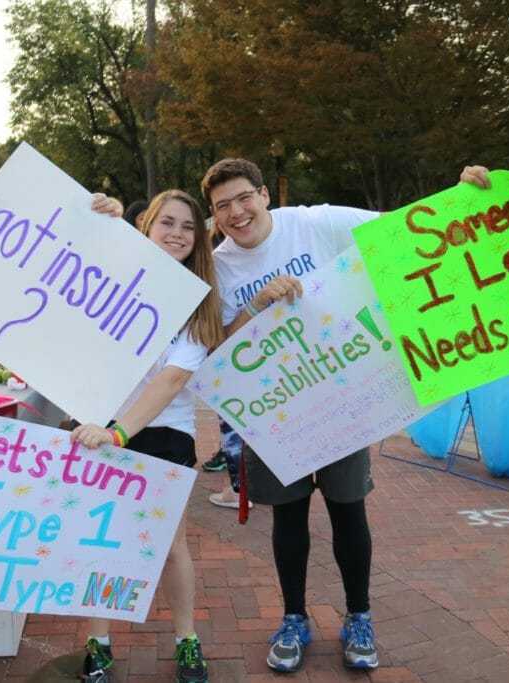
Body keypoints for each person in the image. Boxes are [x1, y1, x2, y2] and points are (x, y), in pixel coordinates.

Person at [202, 158, 490, 673]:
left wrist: (460, 195)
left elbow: (399, 229)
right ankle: (294, 618)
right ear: (214, 214)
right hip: (274, 413)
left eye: (244, 197)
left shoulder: (314, 222)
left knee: (347, 508)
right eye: (223, 206)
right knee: (288, 517)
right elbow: (215, 350)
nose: (236, 212)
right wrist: (255, 308)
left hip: (340, 399)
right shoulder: (217, 267)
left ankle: (360, 616)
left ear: (264, 194)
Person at [73, 189, 225, 683]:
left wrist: (118, 433)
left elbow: (173, 380)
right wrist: (103, 218)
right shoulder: (118, 277)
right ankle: (99, 641)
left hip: (163, 435)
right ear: (149, 225)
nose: (177, 233)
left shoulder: (198, 302)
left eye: (188, 227)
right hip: (101, 429)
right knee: (103, 542)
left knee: (169, 545)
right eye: (168, 223)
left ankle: (187, 642)